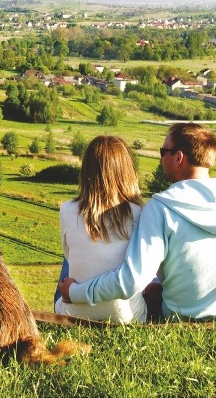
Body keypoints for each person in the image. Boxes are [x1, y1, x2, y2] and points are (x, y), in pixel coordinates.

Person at [59, 123, 216, 323]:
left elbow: (131, 281)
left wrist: (76, 292)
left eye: (163, 152)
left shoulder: (160, 208)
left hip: (179, 315)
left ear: (178, 157)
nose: (160, 159)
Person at [53, 135, 148, 323]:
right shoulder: (140, 213)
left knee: (69, 260)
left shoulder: (67, 209)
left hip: (72, 312)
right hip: (125, 316)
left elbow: (68, 253)